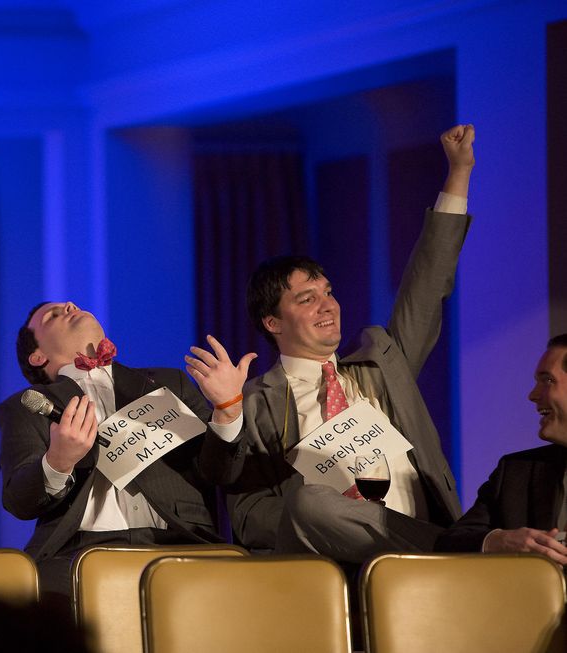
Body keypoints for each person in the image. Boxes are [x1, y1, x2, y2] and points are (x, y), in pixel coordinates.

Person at [229, 124, 475, 561]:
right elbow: (248, 514)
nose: (328, 306)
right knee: (310, 502)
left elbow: (428, 285)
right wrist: (321, 514)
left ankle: (449, 545)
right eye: (308, 299)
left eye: (329, 292)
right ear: (272, 322)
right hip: (331, 562)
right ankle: (462, 547)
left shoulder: (380, 366)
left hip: (422, 553)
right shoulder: (256, 400)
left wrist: (458, 173)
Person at [0, 301, 255, 602]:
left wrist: (227, 410)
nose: (69, 305)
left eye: (70, 304)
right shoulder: (27, 406)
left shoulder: (170, 383)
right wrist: (59, 461)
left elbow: (221, 472)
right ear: (38, 356)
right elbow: (19, 500)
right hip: (77, 552)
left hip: (181, 540)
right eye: (52, 315)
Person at [436, 334, 567, 563]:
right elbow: (448, 542)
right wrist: (499, 542)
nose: (533, 395)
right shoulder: (516, 472)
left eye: (547, 380)